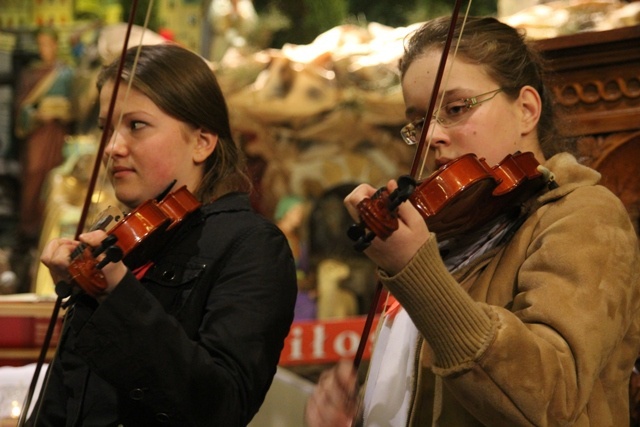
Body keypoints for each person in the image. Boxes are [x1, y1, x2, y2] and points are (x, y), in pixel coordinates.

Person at [305, 16, 640, 427]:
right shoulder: (451, 234)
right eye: (418, 121)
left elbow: (551, 401)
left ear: (527, 110)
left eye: (456, 108)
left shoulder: (584, 216)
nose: (431, 136)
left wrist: (418, 273)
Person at [31, 43, 297, 426]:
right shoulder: (122, 240)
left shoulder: (251, 246)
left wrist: (118, 295)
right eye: (107, 127)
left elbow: (221, 406)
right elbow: (67, 396)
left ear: (202, 142)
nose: (112, 147)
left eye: (136, 125)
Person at [13, 27, 75, 291]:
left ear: (55, 44)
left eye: (47, 43)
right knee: (34, 177)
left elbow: (76, 109)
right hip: (37, 136)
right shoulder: (31, 74)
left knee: (51, 177)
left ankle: (39, 234)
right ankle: (28, 233)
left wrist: (62, 112)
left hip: (56, 134)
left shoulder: (66, 73)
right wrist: (35, 115)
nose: (43, 49)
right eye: (40, 44)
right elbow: (22, 109)